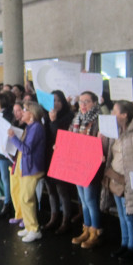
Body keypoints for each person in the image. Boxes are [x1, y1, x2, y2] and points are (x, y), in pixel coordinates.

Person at [103, 100, 133, 260]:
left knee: (130, 215)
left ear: (124, 115)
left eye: (114, 111)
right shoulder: (115, 131)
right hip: (115, 177)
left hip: (130, 180)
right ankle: (124, 244)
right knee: (122, 214)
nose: (111, 114)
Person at [8, 102, 46, 243]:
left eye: (24, 110)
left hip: (33, 168)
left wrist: (13, 138)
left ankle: (35, 229)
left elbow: (27, 150)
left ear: (32, 113)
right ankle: (30, 227)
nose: (21, 113)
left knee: (26, 198)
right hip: (27, 167)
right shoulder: (30, 127)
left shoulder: (36, 128)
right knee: (24, 198)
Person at [70, 91, 104, 249]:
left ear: (95, 103)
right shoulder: (76, 118)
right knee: (83, 201)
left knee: (91, 200)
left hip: (91, 164)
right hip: (78, 163)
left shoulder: (100, 120)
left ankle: (95, 232)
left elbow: (101, 143)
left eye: (87, 101)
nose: (83, 105)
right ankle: (86, 228)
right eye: (81, 101)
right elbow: (70, 138)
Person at [43, 90, 74, 234]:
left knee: (62, 190)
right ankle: (53, 216)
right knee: (51, 190)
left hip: (61, 157)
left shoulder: (69, 116)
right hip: (48, 156)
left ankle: (66, 219)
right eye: (52, 100)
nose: (55, 104)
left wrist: (54, 121)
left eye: (58, 100)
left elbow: (61, 137)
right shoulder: (46, 116)